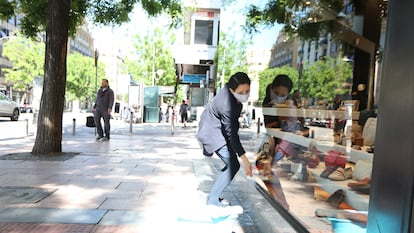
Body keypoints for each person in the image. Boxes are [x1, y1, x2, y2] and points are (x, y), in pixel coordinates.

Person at [197, 72, 253, 207]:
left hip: (218, 131)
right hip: (212, 133)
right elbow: (231, 134)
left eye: (247, 91)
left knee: (232, 165)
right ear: (231, 90)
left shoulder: (233, 99)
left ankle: (214, 197)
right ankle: (213, 200)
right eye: (241, 92)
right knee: (233, 165)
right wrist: (244, 158)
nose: (245, 94)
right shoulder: (226, 104)